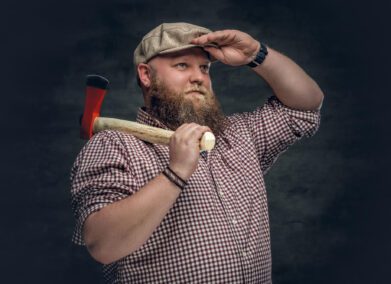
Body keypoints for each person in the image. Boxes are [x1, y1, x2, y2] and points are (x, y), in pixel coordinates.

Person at [71, 22, 324, 283]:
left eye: (204, 67)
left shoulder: (239, 135)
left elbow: (306, 105)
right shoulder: (115, 145)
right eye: (182, 65)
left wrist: (255, 54)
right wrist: (175, 172)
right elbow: (103, 245)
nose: (199, 77)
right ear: (146, 75)